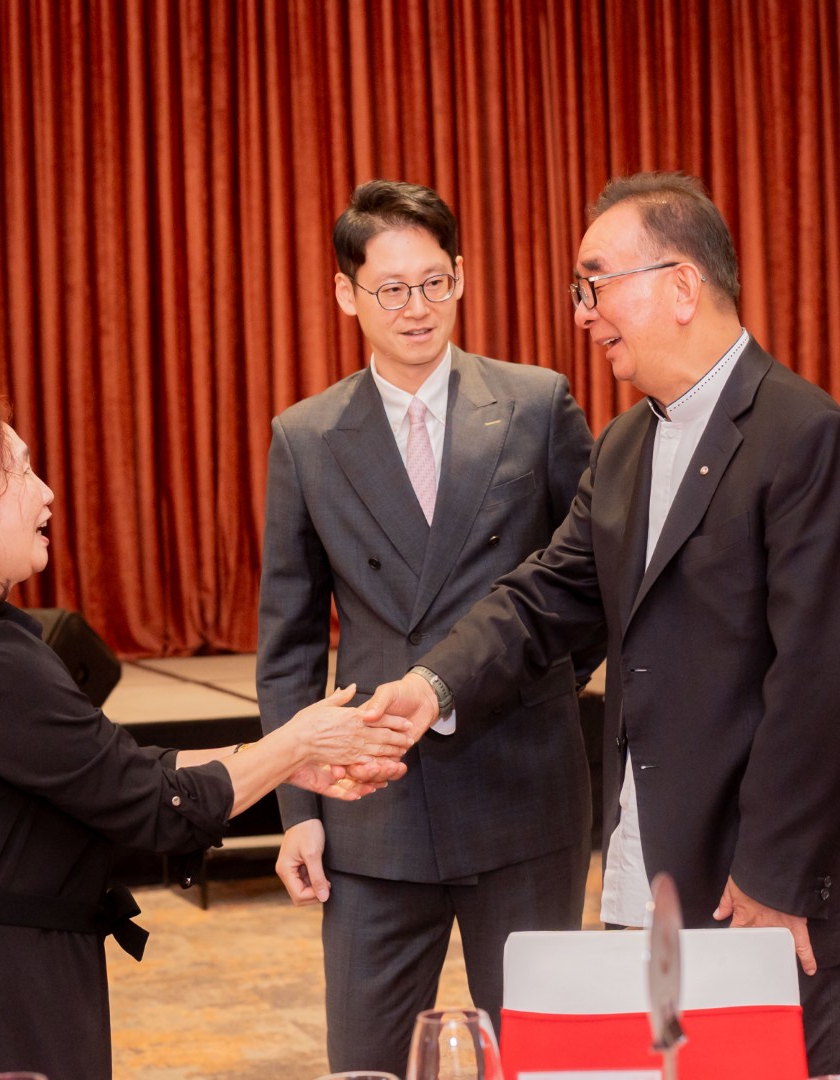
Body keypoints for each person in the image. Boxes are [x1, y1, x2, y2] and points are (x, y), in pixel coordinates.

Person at [364, 171, 840, 1076]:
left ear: (682, 284)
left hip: (779, 893)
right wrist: (432, 686)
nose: (583, 313)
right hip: (657, 872)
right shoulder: (626, 445)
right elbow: (547, 595)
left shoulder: (805, 437)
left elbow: (822, 683)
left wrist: (773, 878)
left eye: (596, 283)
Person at [0, 384, 410, 1080]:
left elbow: (116, 769)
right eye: (21, 472)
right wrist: (298, 742)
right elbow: (151, 804)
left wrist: (278, 763)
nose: (46, 493)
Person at [256, 179, 601, 1076]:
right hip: (371, 803)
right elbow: (290, 644)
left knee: (539, 1058)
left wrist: (528, 684)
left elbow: (589, 585)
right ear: (346, 294)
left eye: (434, 282)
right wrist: (298, 810)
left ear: (462, 277)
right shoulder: (305, 437)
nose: (417, 308)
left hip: (524, 789)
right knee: (366, 1061)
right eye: (392, 289)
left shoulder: (536, 404)